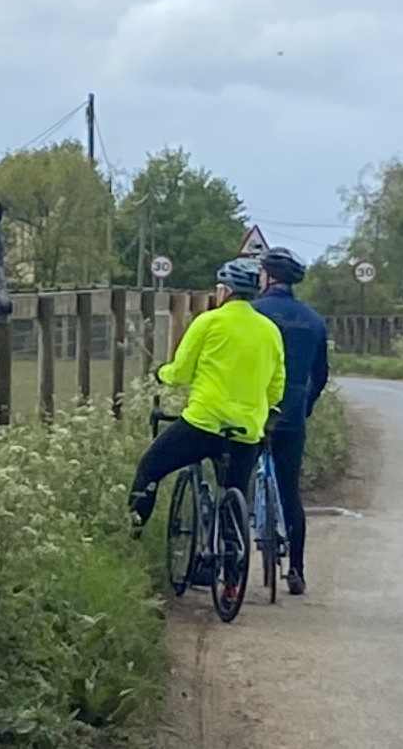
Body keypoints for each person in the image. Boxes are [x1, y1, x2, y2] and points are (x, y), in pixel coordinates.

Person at [128, 257, 285, 535]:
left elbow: (181, 372)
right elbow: (276, 386)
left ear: (224, 290)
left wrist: (162, 374)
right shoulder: (270, 331)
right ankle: (232, 552)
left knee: (150, 467)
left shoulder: (209, 321)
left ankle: (134, 530)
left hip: (204, 423)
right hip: (247, 430)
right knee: (234, 494)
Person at [252, 246, 329, 596]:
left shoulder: (254, 313)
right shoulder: (313, 320)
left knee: (233, 480)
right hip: (292, 413)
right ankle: (296, 570)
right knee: (289, 490)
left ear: (267, 277)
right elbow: (320, 375)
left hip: (254, 411)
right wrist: (305, 406)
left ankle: (224, 560)